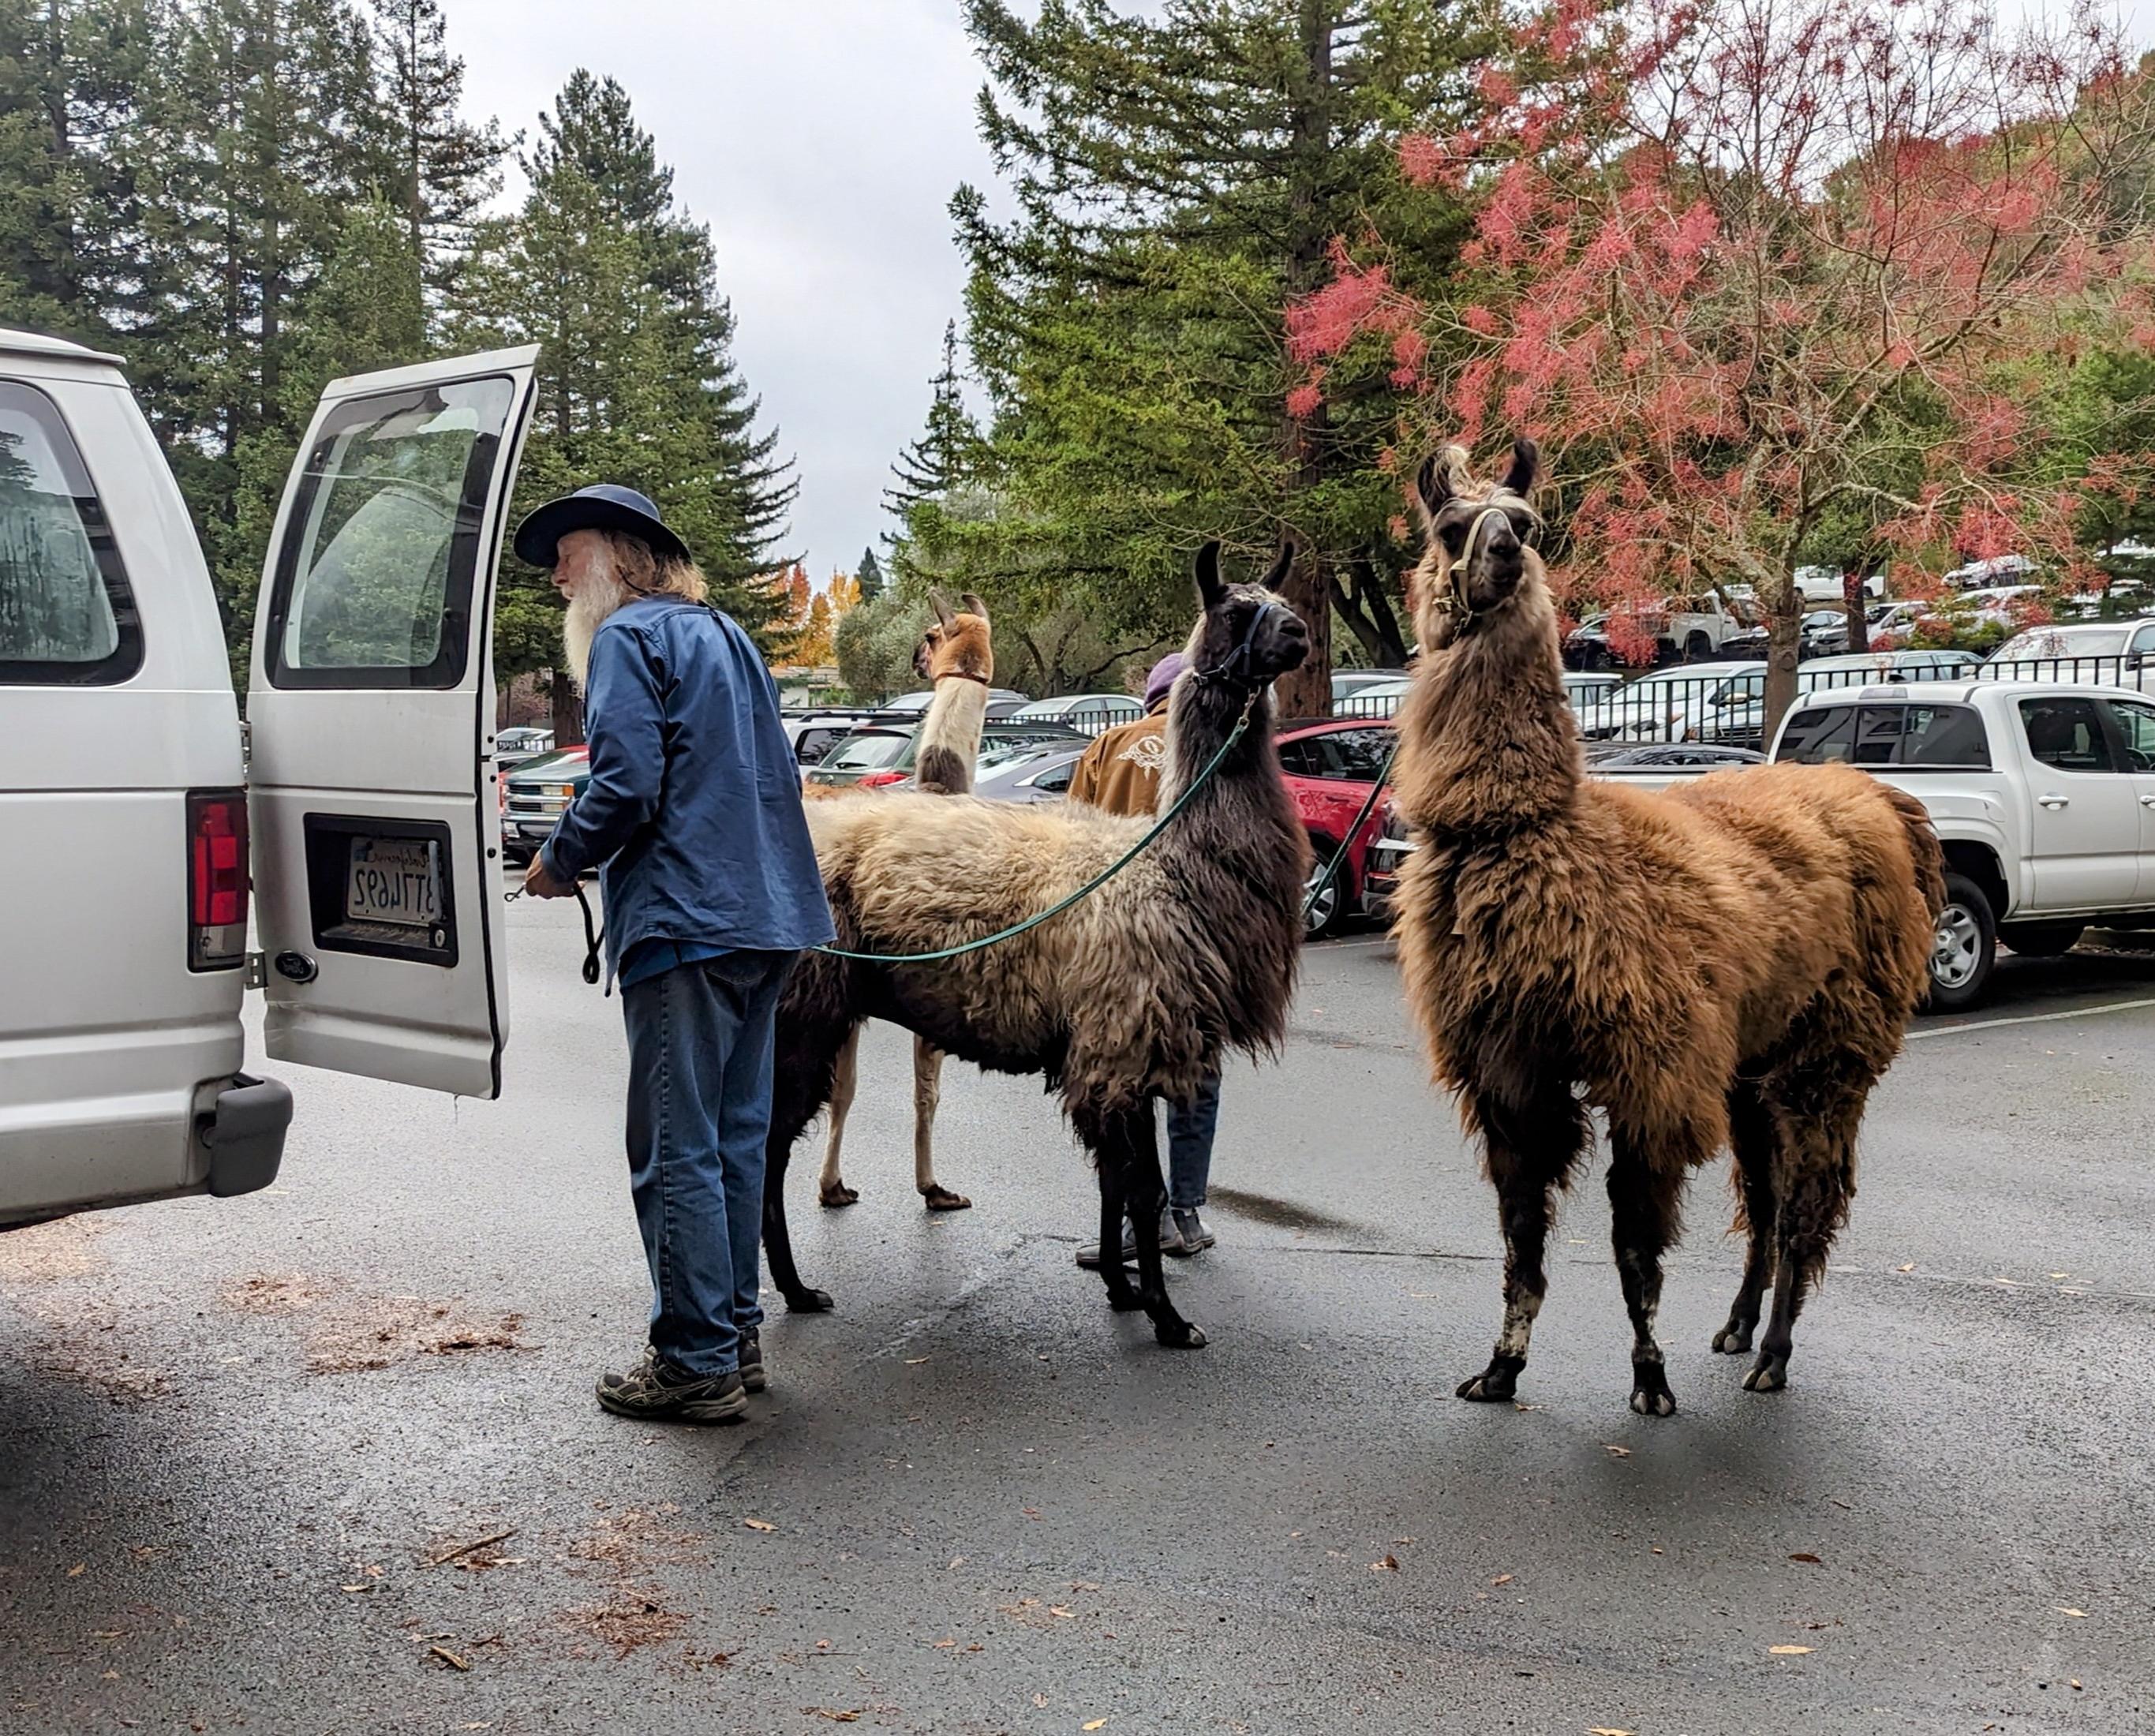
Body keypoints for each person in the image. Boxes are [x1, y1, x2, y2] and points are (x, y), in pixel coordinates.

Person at [516, 484, 833, 1424]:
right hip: (769, 918)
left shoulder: (624, 639)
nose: (559, 576)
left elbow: (625, 779)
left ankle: (693, 1362)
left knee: (676, 1145)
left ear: (617, 554)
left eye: (567, 554)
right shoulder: (725, 635)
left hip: (686, 926)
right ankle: (733, 1338)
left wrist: (559, 857)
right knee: (735, 1139)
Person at [1067, 650, 1222, 1268]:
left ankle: (1141, 1219)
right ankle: (1184, 1211)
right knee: (1194, 1080)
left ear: (1152, 697)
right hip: (1197, 938)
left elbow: (1068, 831)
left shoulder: (1108, 745)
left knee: (1121, 1087)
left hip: (1113, 940)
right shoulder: (1215, 746)